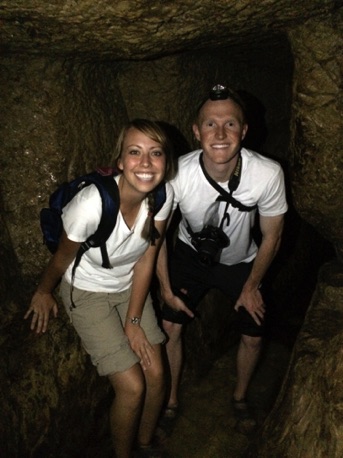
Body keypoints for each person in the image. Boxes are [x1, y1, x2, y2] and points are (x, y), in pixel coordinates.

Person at [25, 119, 176, 458]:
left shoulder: (164, 196)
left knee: (156, 371)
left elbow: (148, 258)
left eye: (156, 153)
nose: (146, 163)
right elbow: (63, 258)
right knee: (133, 387)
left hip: (129, 285)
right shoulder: (91, 205)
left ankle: (146, 443)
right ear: (120, 161)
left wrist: (133, 320)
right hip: (87, 292)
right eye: (135, 152)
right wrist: (44, 291)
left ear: (167, 162)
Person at [156, 84, 288, 428]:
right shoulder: (176, 173)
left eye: (230, 123)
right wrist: (167, 290)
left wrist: (252, 285)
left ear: (244, 131)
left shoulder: (267, 174)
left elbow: (273, 235)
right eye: (210, 124)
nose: (220, 133)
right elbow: (155, 238)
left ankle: (240, 396)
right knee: (169, 326)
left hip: (242, 262)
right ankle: (169, 399)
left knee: (253, 333)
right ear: (196, 131)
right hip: (189, 256)